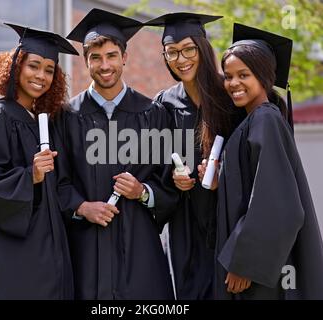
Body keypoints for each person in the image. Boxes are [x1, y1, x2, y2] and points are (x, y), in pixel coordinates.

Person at [55, 8, 176, 300]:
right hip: (86, 251)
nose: (104, 65)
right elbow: (57, 180)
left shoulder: (153, 114)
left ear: (124, 57)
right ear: (85, 62)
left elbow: (170, 183)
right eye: (95, 58)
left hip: (139, 249)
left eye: (111, 56)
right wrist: (82, 206)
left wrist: (142, 191)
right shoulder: (67, 116)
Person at [0, 23, 79, 299]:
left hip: (46, 253)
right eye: (34, 66)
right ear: (16, 67)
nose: (41, 76)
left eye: (49, 70)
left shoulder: (42, 125)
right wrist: (31, 176)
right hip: (13, 258)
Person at [210, 23, 323, 299]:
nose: (233, 83)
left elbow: (278, 203)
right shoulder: (254, 120)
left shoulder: (265, 119)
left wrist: (245, 262)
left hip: (261, 272)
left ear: (262, 76)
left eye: (243, 75)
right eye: (228, 76)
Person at [144, 13, 244, 300]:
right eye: (172, 52)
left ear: (202, 47)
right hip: (184, 224)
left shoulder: (231, 96)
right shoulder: (164, 103)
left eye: (189, 49)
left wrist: (221, 178)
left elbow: (252, 163)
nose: (181, 58)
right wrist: (173, 176)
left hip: (225, 217)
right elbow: (157, 162)